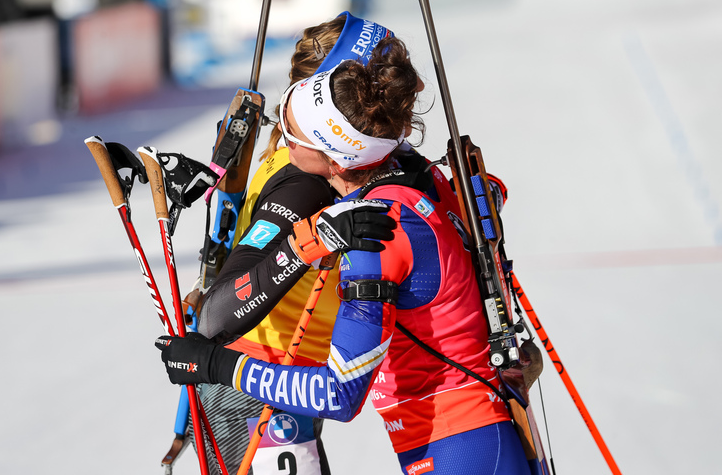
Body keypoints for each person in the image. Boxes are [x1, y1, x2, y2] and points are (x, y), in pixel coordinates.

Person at [157, 36, 532, 475]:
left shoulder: (375, 229)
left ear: (334, 159)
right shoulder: (412, 181)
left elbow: (338, 393)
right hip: (466, 431)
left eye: (294, 134)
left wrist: (214, 364)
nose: (283, 143)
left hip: (458, 441)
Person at [185, 12, 400, 475]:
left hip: (276, 376)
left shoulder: (295, 150)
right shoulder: (314, 177)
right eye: (372, 82)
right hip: (261, 381)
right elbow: (222, 309)